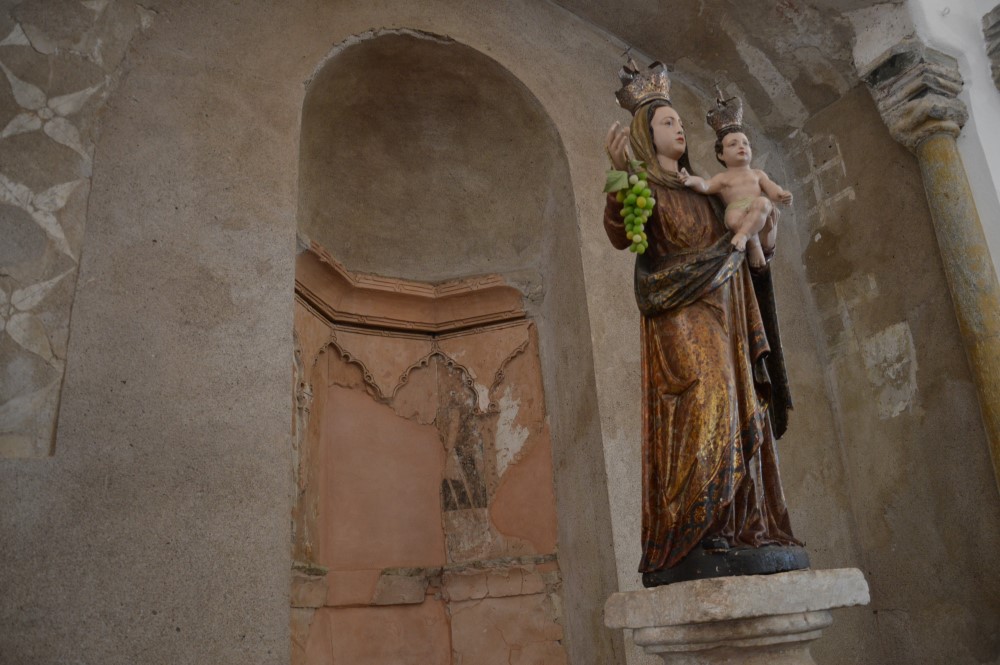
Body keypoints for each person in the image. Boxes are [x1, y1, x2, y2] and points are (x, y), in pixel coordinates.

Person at [604, 63, 802, 586]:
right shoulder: (642, 184)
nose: (679, 129)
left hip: (730, 308)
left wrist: (768, 228)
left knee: (742, 403)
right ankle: (696, 527)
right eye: (667, 123)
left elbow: (750, 246)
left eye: (678, 121)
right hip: (680, 313)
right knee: (705, 396)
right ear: (647, 136)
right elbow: (624, 237)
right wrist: (619, 180)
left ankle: (742, 526)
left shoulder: (706, 190)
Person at [678, 126, 792, 268]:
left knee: (764, 202)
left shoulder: (758, 174)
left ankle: (745, 236)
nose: (741, 147)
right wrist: (691, 180)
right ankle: (753, 243)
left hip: (756, 207)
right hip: (736, 209)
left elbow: (771, 187)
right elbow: (706, 185)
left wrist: (780, 194)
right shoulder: (723, 178)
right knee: (733, 219)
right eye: (733, 144)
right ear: (721, 155)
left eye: (745, 143)